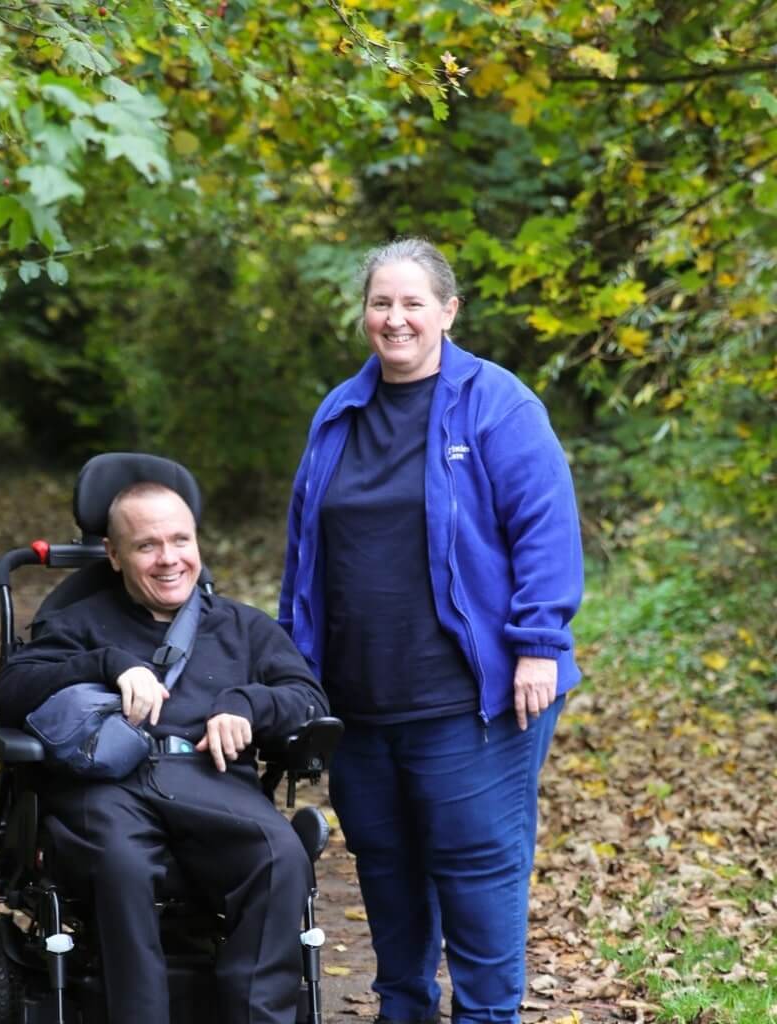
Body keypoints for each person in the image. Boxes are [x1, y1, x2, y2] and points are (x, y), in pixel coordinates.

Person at [279, 238, 583, 1024]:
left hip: (472, 702)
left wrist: (540, 645)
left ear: (448, 311)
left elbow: (546, 528)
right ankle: (403, 1011)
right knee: (385, 869)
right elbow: (304, 550)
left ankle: (488, 1017)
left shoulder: (499, 405)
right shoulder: (340, 412)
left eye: (414, 302)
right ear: (365, 316)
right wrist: (292, 669)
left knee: (478, 870)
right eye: (382, 302)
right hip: (361, 702)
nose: (396, 318)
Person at [0, 481, 329, 1024]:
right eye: (147, 545)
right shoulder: (77, 623)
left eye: (181, 540)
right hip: (108, 790)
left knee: (280, 856)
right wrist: (108, 664)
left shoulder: (243, 627)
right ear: (114, 554)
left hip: (211, 780)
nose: (169, 559)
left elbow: (308, 699)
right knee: (122, 865)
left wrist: (246, 704)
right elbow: (11, 694)